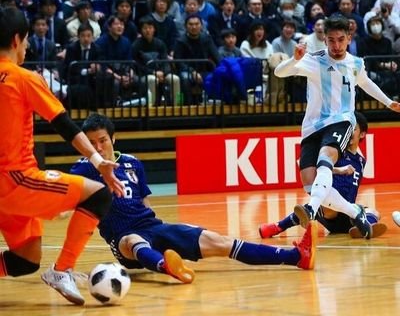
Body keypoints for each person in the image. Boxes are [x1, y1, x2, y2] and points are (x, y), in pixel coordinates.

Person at [70, 113, 317, 285]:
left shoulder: (133, 162)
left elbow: (144, 202)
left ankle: (296, 256)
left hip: (153, 227)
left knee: (219, 241)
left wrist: (166, 230)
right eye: (91, 144)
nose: (98, 148)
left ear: (113, 139)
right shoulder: (82, 169)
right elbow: (66, 200)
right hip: (122, 238)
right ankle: (168, 267)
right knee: (133, 240)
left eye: (102, 140)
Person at [0, 7, 124, 306]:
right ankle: (62, 270)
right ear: (17, 40)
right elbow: (64, 125)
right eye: (27, 40)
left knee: (25, 259)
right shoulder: (23, 78)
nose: (28, 47)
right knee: (98, 196)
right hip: (15, 180)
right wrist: (98, 161)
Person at [274, 16, 400, 239]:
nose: (336, 45)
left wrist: (388, 102)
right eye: (331, 40)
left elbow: (367, 83)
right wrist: (294, 60)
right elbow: (279, 73)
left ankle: (311, 209)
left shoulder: (356, 63)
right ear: (325, 40)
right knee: (310, 183)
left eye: (341, 40)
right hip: (312, 128)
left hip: (341, 120)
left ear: (349, 38)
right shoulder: (314, 60)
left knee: (326, 157)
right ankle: (355, 213)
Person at [259, 112, 388, 239]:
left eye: (353, 129)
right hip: (331, 211)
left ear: (362, 134)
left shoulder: (360, 161)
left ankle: (364, 228)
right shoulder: (335, 150)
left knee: (373, 212)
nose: (348, 132)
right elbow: (315, 167)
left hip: (349, 214)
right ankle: (278, 226)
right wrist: (339, 170)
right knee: (324, 207)